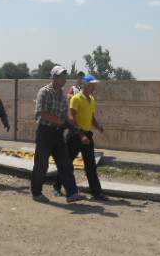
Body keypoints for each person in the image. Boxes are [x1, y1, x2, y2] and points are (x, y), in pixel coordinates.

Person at [31, 66, 86, 203]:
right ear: (54, 77)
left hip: (58, 133)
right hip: (45, 131)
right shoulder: (44, 92)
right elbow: (44, 113)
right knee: (41, 164)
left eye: (65, 77)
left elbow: (63, 114)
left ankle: (72, 193)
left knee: (65, 163)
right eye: (61, 77)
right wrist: (62, 122)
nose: (64, 79)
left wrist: (70, 125)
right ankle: (36, 193)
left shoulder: (62, 94)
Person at [53, 74, 109, 200]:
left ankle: (96, 193)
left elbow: (92, 117)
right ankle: (57, 186)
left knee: (90, 165)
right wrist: (81, 135)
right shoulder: (76, 98)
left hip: (87, 135)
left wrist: (97, 126)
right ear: (86, 85)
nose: (94, 88)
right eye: (93, 85)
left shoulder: (93, 100)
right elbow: (72, 119)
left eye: (95, 85)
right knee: (67, 163)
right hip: (75, 135)